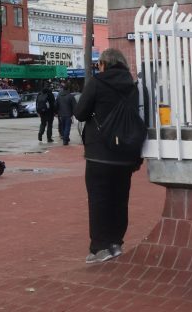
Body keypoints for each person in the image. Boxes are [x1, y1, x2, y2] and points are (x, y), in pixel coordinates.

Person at [73, 48, 145, 264]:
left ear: (103, 64)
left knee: (99, 200)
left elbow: (80, 113)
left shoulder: (97, 82)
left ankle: (99, 248)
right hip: (126, 153)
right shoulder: (133, 86)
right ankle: (115, 243)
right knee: (120, 199)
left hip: (100, 153)